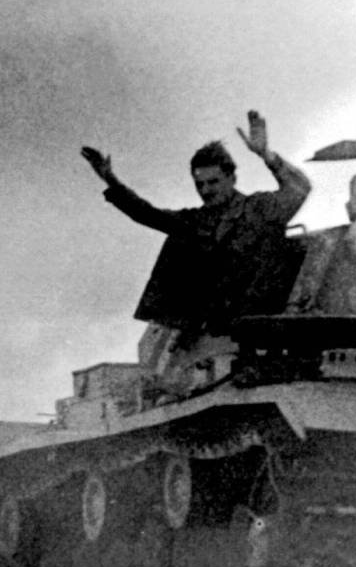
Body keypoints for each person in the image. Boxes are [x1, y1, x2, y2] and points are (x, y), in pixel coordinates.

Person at [80, 110, 311, 381]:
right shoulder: (194, 221)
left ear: (232, 178)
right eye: (199, 184)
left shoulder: (259, 209)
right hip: (213, 328)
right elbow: (148, 214)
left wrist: (266, 154)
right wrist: (111, 180)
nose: (206, 190)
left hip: (260, 324)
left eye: (213, 182)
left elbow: (299, 189)